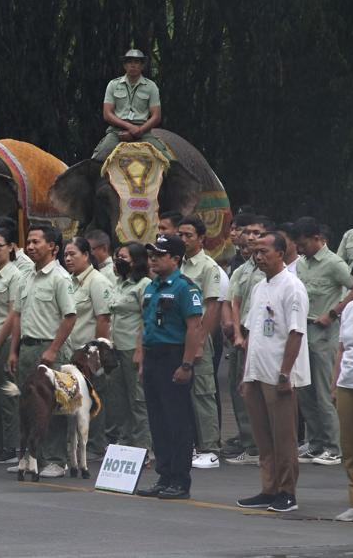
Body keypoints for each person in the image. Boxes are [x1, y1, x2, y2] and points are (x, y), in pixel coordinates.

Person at [235, 232, 310, 513]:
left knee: (283, 436)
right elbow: (253, 333)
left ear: (281, 253)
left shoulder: (292, 287)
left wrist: (285, 374)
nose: (258, 257)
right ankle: (269, 488)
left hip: (279, 373)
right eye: (256, 253)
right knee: (263, 436)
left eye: (264, 251)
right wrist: (246, 374)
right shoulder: (259, 287)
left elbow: (296, 333)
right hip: (256, 370)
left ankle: (287, 492)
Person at [5, 224, 77, 478]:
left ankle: (56, 460)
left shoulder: (60, 278)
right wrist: (13, 351)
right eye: (30, 242)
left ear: (53, 248)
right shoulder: (25, 278)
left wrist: (54, 349)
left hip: (50, 350)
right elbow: (17, 317)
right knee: (26, 405)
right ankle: (28, 457)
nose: (31, 247)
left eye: (37, 242)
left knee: (54, 405)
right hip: (27, 347)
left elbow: (70, 317)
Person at [136, 234, 204, 501]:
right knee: (158, 420)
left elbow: (194, 328)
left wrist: (186, 364)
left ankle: (180, 479)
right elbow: (147, 325)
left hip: (174, 356)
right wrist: (142, 360)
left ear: (175, 259)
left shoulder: (185, 288)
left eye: (159, 254)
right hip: (153, 357)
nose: (153, 258)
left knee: (177, 420)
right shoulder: (152, 287)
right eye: (151, 254)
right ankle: (164, 475)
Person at [294, 217, 349, 465]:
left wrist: (334, 312)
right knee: (305, 390)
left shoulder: (333, 263)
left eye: (304, 243)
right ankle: (315, 443)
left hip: (324, 331)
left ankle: (334, 446)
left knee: (325, 391)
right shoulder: (302, 264)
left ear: (317, 238)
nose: (300, 248)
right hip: (303, 330)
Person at [223, 215, 272, 464]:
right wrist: (236, 331)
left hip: (265, 336)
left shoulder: (273, 268)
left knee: (263, 392)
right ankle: (249, 443)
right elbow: (234, 300)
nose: (251, 237)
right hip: (243, 336)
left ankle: (261, 446)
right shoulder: (243, 268)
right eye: (249, 232)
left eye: (257, 232)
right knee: (239, 389)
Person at [177, 214, 223, 468]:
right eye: (180, 235)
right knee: (181, 392)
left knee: (203, 392)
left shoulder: (208, 267)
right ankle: (190, 444)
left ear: (201, 238)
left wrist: (202, 340)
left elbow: (212, 306)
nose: (183, 240)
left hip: (198, 336)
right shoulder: (177, 264)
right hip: (178, 337)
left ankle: (210, 447)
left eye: (189, 235)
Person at [63, 237, 114, 458]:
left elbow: (103, 319)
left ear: (86, 255)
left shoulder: (97, 281)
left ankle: (95, 445)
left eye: (73, 254)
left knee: (94, 398)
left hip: (90, 352)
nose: (68, 259)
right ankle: (80, 444)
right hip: (72, 352)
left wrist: (97, 354)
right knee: (76, 400)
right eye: (65, 255)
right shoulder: (69, 281)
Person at [107, 242, 152, 454]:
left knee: (138, 399)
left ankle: (144, 446)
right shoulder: (119, 283)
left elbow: (146, 318)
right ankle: (124, 443)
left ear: (136, 260)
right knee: (120, 399)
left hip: (132, 348)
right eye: (117, 257)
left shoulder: (143, 285)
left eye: (123, 257)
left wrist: (139, 349)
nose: (119, 261)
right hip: (115, 348)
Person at [0, 225, 24, 465]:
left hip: (4, 339)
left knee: (6, 394)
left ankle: (10, 445)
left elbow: (12, 313)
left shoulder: (15, 275)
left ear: (10, 247)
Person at [92, 49, 169, 161]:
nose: (133, 65)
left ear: (142, 66)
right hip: (117, 132)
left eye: (137, 62)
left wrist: (139, 131)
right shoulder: (113, 85)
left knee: (168, 161)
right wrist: (130, 127)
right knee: (97, 159)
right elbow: (107, 114)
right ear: (124, 65)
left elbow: (156, 116)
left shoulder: (151, 86)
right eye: (129, 62)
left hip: (143, 133)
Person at [332, 293, 353, 521]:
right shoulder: (349, 309)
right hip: (348, 382)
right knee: (349, 447)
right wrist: (334, 383)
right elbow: (341, 348)